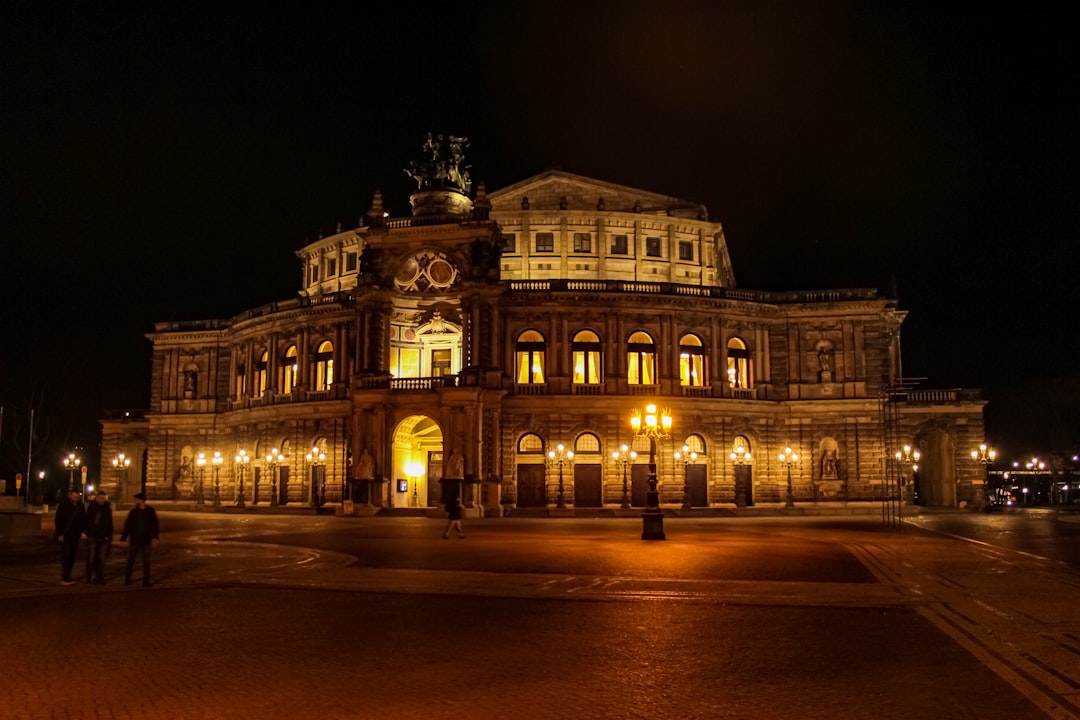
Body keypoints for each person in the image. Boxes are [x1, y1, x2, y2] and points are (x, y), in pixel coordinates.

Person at [120, 492, 159, 587]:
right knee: (131, 560)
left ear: (141, 500)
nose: (134, 502)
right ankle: (127, 578)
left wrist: (155, 537)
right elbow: (128, 525)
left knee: (146, 561)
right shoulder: (133, 512)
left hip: (146, 540)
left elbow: (155, 525)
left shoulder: (150, 511)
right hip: (135, 540)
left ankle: (146, 580)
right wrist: (124, 537)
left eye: (136, 500)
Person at [54, 489, 86, 585]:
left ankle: (68, 576)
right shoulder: (63, 505)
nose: (75, 498)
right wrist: (60, 534)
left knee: (72, 556)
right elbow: (58, 520)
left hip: (75, 535)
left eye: (77, 496)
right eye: (74, 496)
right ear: (70, 496)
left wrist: (83, 531)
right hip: (65, 535)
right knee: (66, 556)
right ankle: (65, 578)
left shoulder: (80, 506)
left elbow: (83, 519)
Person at [84, 490, 113, 584]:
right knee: (91, 558)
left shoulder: (107, 508)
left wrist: (109, 536)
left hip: (103, 537)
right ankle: (88, 576)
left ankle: (99, 577)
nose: (101, 500)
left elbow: (110, 523)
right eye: (100, 498)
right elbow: (87, 521)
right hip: (93, 536)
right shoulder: (92, 507)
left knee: (101, 559)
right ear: (96, 498)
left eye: (103, 498)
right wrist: (87, 533)